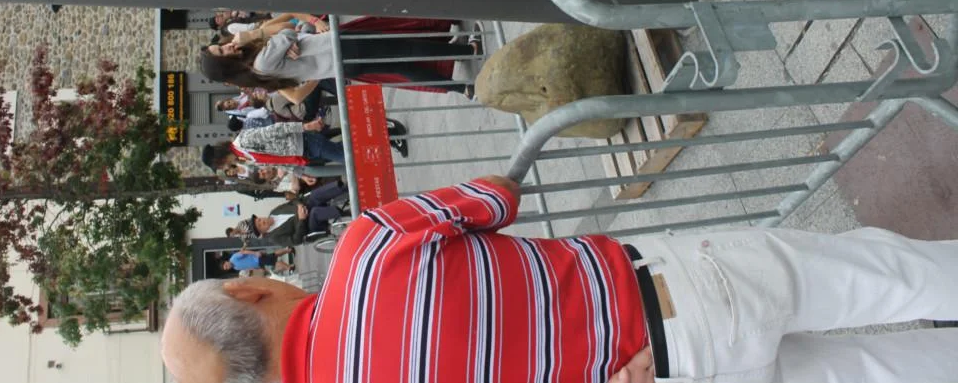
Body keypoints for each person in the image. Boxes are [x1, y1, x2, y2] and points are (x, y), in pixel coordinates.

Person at [161, 175, 958, 383]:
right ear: (249, 290)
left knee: (887, 375)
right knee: (883, 275)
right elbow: (495, 198)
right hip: (666, 294)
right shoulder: (371, 247)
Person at [199, 18, 478, 98]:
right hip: (340, 49)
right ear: (226, 65)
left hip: (341, 60)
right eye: (222, 52)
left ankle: (461, 87)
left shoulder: (260, 68)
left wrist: (293, 37)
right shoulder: (261, 64)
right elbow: (287, 31)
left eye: (221, 46)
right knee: (405, 51)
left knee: (403, 65)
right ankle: (466, 52)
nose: (228, 46)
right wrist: (262, 36)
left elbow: (297, 32)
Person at [202, 118, 345, 176]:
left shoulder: (243, 141)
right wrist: (300, 173)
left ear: (220, 158)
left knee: (346, 155)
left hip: (305, 143)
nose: (225, 168)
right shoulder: (243, 158)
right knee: (345, 150)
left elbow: (275, 130)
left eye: (221, 166)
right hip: (303, 155)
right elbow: (277, 162)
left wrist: (305, 126)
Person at [221, 247, 293, 273]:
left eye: (226, 265)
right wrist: (258, 268)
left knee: (274, 262)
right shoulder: (236, 268)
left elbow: (244, 252)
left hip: (257, 258)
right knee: (274, 255)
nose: (228, 267)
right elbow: (247, 267)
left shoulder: (233, 258)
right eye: (227, 268)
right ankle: (289, 250)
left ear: (226, 261)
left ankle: (289, 267)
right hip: (258, 264)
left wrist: (255, 253)